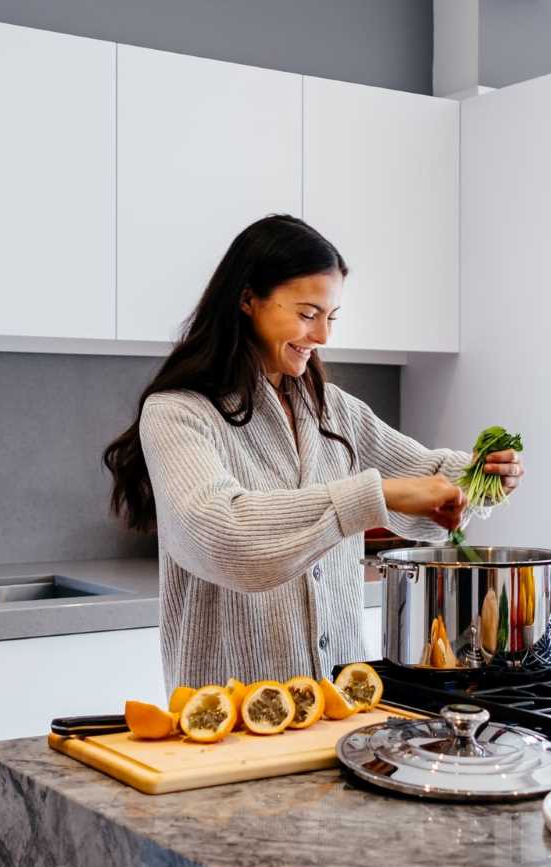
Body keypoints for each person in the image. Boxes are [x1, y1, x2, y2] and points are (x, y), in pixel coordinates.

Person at [104, 215, 524, 691]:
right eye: (307, 314)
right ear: (247, 300)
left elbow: (425, 480)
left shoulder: (334, 410)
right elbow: (224, 537)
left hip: (344, 703)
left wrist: (481, 477)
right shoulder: (178, 413)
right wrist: (374, 496)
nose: (323, 336)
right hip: (230, 716)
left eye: (331, 317)